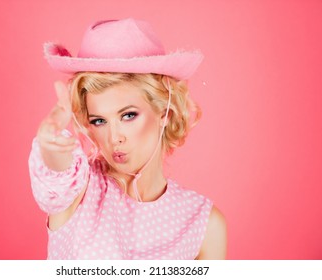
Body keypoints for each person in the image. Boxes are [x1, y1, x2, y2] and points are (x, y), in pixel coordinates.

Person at [29, 18, 227, 260]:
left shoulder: (203, 224)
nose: (114, 137)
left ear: (165, 112)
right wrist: (51, 146)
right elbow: (56, 175)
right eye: (99, 121)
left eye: (128, 115)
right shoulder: (80, 189)